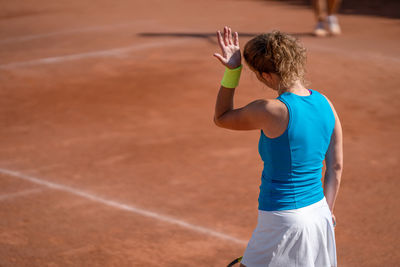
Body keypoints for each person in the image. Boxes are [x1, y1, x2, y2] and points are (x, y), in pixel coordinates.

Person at [213, 27, 343, 267]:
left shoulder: (271, 110)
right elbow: (335, 166)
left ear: (267, 75)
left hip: (282, 219)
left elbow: (222, 117)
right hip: (320, 214)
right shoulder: (326, 103)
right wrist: (328, 211)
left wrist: (233, 71)